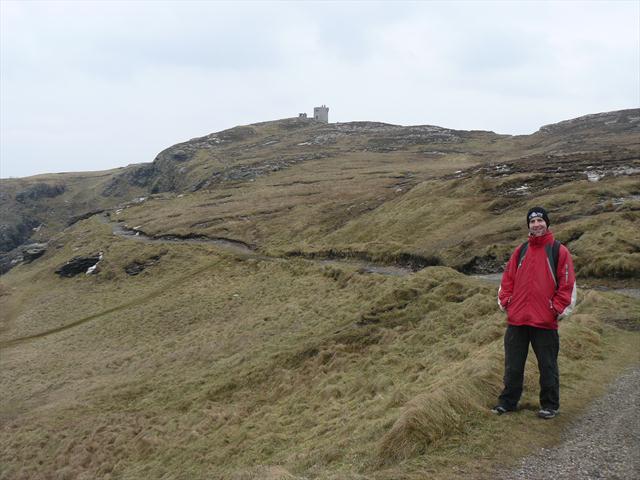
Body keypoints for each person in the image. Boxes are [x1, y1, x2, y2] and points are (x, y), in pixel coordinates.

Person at [492, 206, 576, 419]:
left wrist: (555, 310)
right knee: (513, 365)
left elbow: (567, 286)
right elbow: (507, 280)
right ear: (528, 226)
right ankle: (507, 402)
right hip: (517, 320)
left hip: (544, 321)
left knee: (547, 365)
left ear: (547, 223)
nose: (536, 224)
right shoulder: (520, 251)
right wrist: (507, 302)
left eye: (540, 220)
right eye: (532, 221)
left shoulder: (558, 251)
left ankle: (549, 405)